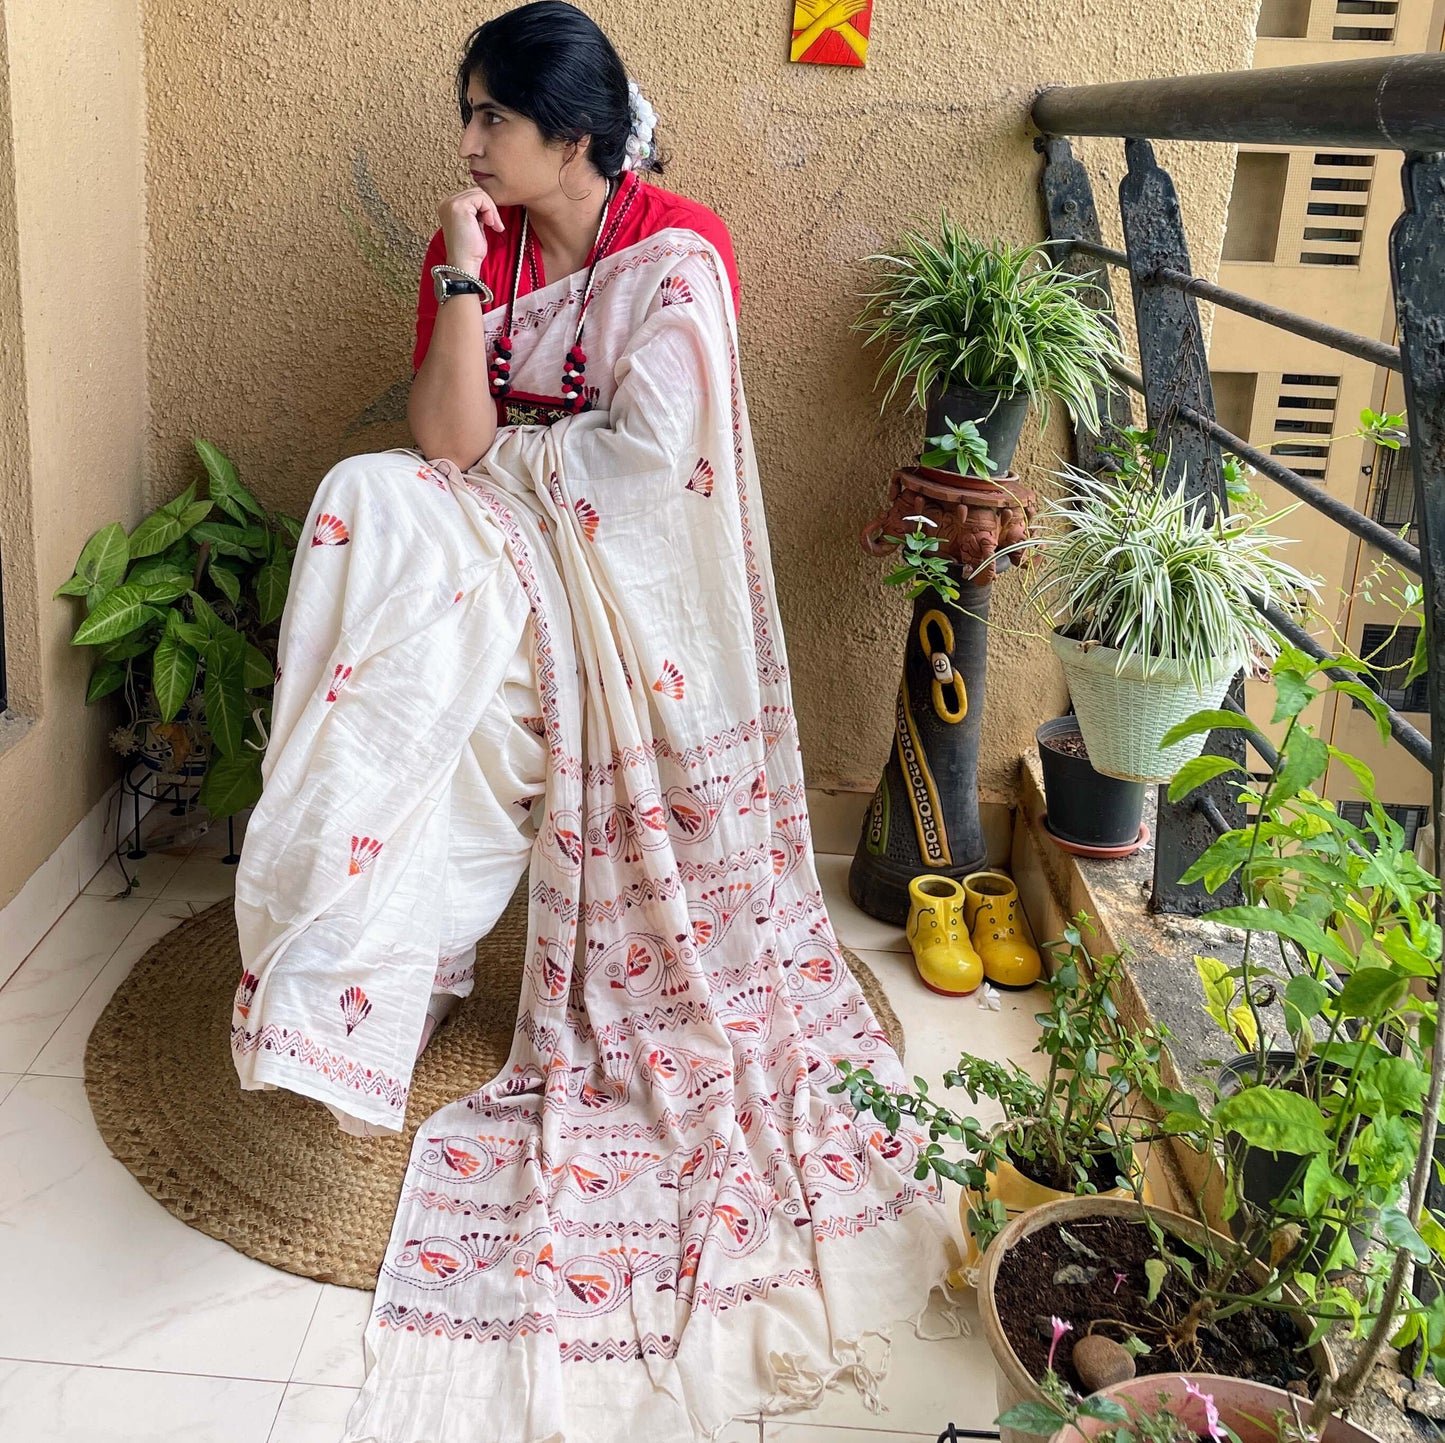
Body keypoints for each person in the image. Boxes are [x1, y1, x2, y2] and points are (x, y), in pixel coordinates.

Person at [230, 5, 959, 1439]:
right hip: (499, 551)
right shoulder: (484, 250)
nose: (468, 141)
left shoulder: (679, 245)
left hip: (627, 601)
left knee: (457, 676)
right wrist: (451, 281)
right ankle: (345, 975)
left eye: (490, 117)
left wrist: (516, 473)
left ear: (573, 133)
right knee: (366, 505)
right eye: (470, 115)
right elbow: (445, 446)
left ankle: (379, 963)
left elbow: (652, 471)